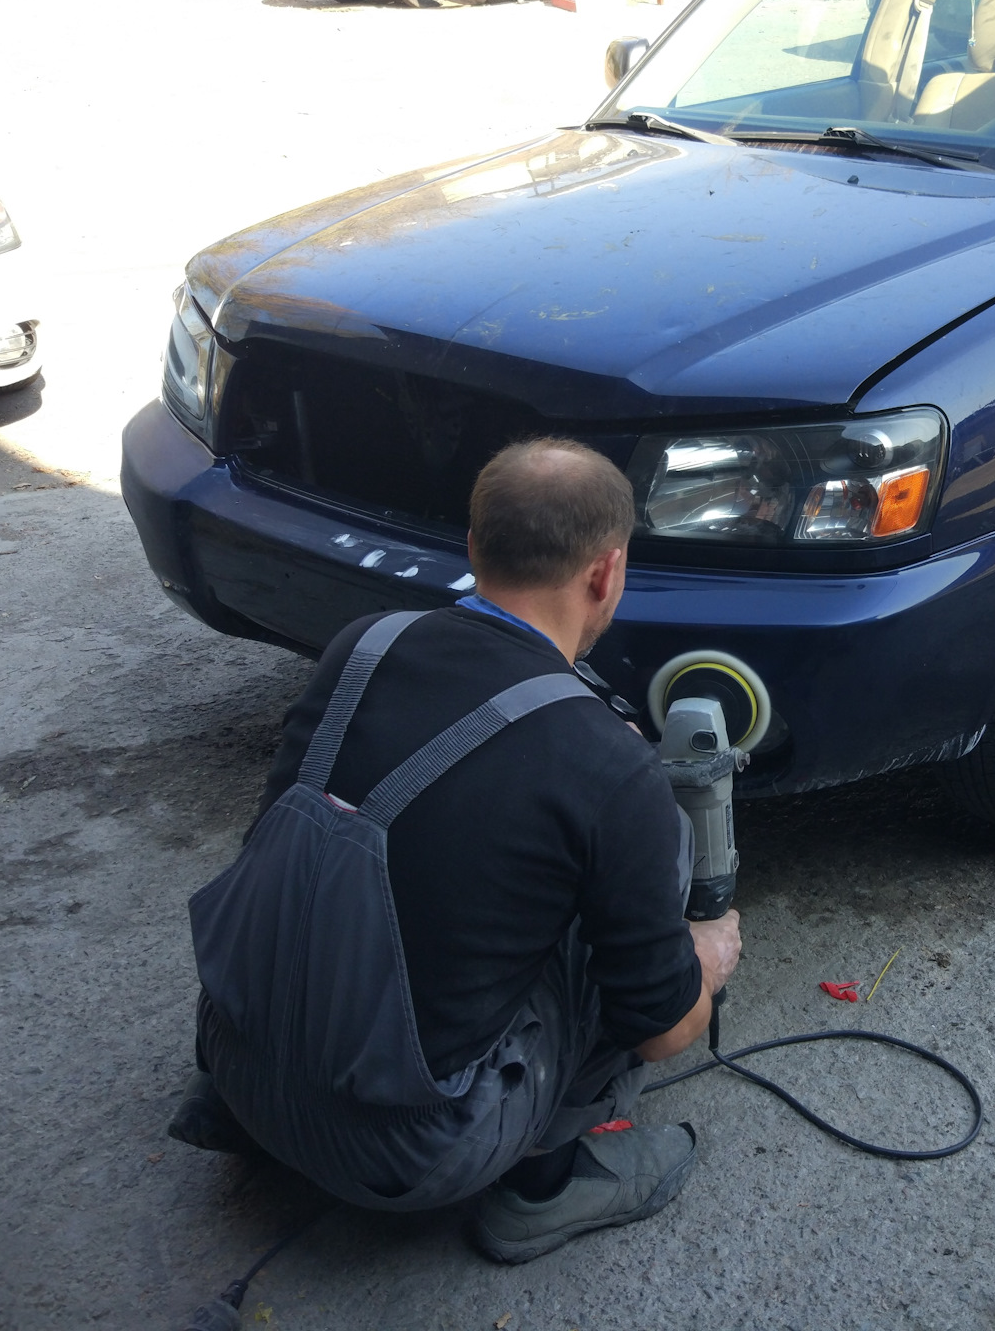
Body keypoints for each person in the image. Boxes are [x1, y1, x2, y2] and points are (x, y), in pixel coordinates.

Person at [167, 437, 742, 1264]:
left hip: (235, 1062)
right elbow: (662, 1031)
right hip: (414, 1155)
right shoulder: (610, 769)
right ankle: (544, 1184)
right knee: (636, 901)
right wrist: (708, 956)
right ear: (606, 573)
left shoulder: (363, 647)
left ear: (472, 548)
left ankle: (257, 1106)